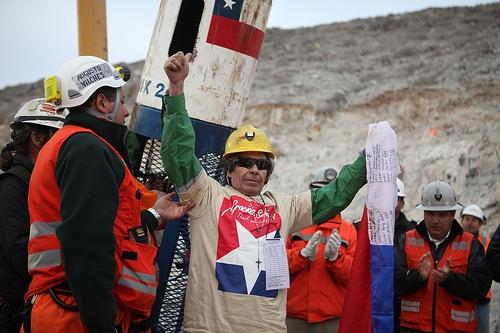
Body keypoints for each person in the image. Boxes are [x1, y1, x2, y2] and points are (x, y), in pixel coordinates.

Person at [160, 51, 367, 332]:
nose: (254, 169)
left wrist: (367, 161)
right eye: (245, 162)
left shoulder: (285, 206)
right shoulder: (206, 195)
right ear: (229, 169)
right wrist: (176, 89)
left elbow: (335, 194)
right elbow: (179, 155)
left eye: (261, 164)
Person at [25, 56, 191, 333]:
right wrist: (102, 324)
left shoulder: (71, 144)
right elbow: (87, 242)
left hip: (70, 306)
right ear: (102, 103)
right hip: (75, 314)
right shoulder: (86, 149)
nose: (125, 112)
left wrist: (152, 216)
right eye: (122, 101)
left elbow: (109, 227)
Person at [0, 98, 67, 333]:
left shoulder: (46, 184)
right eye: (58, 138)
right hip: (14, 314)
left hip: (39, 305)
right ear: (37, 139)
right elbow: (21, 251)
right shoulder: (12, 186)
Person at [395, 180, 492, 333]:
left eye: (442, 215)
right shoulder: (405, 240)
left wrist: (450, 279)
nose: (435, 220)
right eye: (431, 214)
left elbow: (482, 287)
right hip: (414, 329)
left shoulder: (471, 244)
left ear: (453, 214)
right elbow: (395, 283)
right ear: (424, 213)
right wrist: (418, 277)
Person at [286, 167, 357, 333]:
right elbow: (276, 266)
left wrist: (336, 259)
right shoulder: (294, 224)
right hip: (294, 317)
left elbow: (354, 276)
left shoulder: (349, 231)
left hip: (331, 319)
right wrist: (301, 256)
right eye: (321, 192)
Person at [460, 204, 491, 333]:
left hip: (481, 298)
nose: (470, 223)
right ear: (462, 220)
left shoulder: (486, 242)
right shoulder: (455, 241)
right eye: (467, 219)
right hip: (460, 295)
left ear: (480, 223)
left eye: (474, 220)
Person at [393, 177, 416, 332]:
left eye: (395, 199)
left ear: (402, 203)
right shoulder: (364, 228)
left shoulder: (413, 232)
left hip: (404, 299)